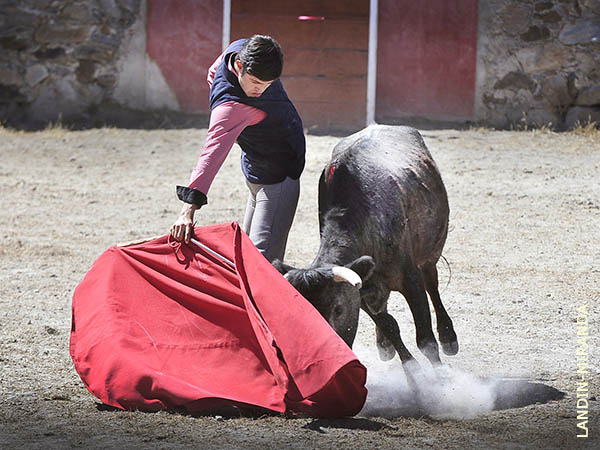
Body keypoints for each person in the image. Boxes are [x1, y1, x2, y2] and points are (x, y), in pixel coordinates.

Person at [170, 35, 305, 262]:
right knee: (263, 265)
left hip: (257, 169)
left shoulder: (238, 50)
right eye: (255, 83)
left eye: (268, 85)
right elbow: (210, 155)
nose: (260, 90)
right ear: (240, 66)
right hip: (278, 177)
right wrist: (187, 210)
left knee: (248, 258)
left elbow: (212, 74)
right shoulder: (231, 108)